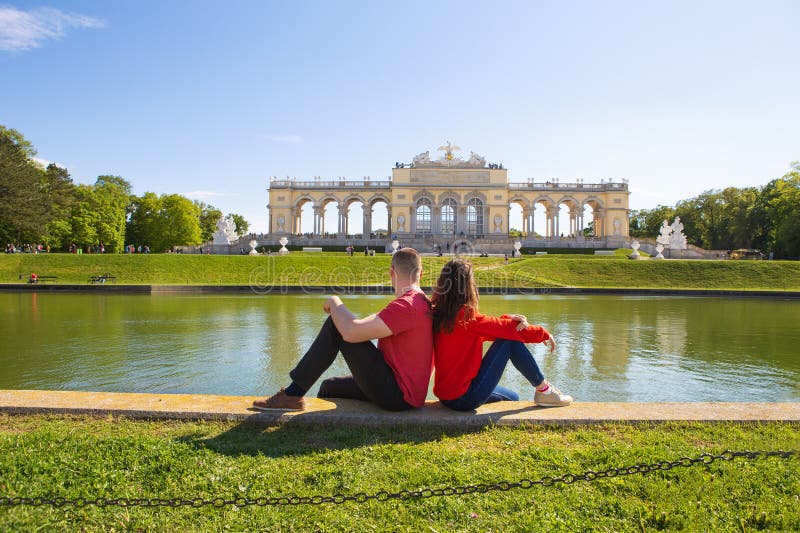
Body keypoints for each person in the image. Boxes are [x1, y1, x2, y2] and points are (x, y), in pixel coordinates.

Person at [253, 248, 434, 412]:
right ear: (421, 274)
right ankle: (314, 418)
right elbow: (363, 326)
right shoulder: (420, 302)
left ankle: (292, 395)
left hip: (398, 395)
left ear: (391, 273)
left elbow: (350, 332)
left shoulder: (406, 305)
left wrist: (334, 301)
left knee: (336, 325)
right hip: (401, 390)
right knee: (328, 387)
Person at [430, 258, 572, 411]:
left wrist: (507, 319)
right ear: (468, 287)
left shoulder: (439, 314)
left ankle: (543, 392)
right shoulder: (467, 317)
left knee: (513, 397)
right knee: (509, 342)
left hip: (446, 396)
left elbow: (492, 328)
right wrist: (543, 333)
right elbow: (506, 331)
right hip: (464, 398)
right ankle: (545, 390)